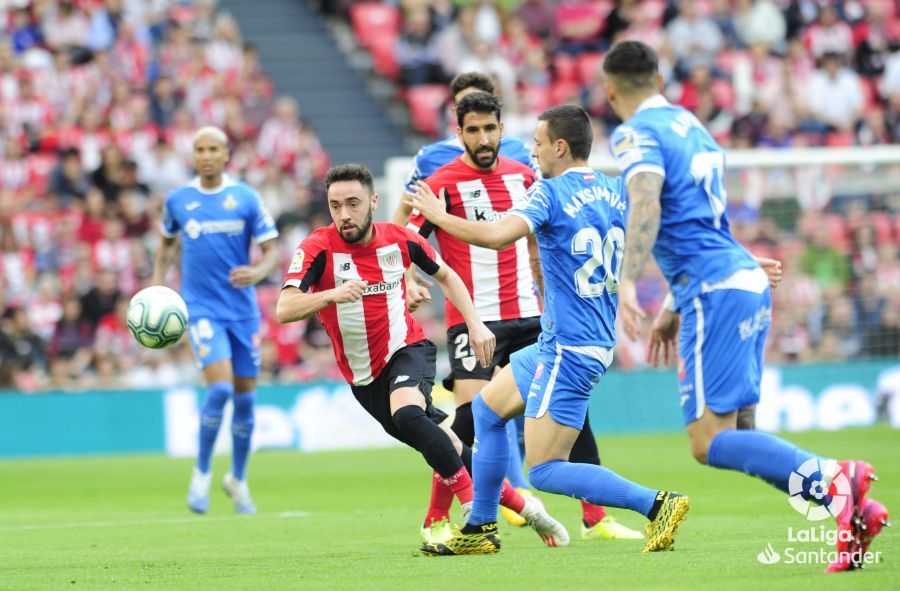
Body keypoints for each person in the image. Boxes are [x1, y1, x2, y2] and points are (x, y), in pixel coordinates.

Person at [602, 40, 885, 573]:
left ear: (610, 90)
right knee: (741, 433)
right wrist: (672, 301)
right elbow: (702, 224)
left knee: (709, 441)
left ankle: (838, 476)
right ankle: (857, 511)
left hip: (715, 290)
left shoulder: (636, 132)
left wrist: (627, 281)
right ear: (660, 82)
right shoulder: (692, 126)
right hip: (737, 281)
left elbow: (647, 201)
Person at [408, 105, 690, 556]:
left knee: (543, 470)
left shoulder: (549, 193)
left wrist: (436, 217)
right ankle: (480, 527)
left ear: (560, 146)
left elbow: (499, 235)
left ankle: (657, 504)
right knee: (486, 412)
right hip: (565, 341)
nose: (532, 151)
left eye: (538, 142)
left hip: (571, 350)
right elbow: (674, 238)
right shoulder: (618, 191)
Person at [275, 163, 569, 547]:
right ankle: (526, 508)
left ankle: (473, 515)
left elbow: (446, 274)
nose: (344, 215)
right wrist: (330, 294)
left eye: (353, 203)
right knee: (449, 444)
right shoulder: (317, 248)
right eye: (335, 206)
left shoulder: (400, 240)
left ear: (373, 201)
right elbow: (284, 308)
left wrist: (475, 323)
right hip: (364, 379)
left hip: (407, 349)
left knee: (409, 413)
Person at [152, 126, 281, 515]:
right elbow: (165, 247)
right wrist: (157, 290)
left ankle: (237, 480)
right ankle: (201, 474)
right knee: (221, 390)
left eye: (213, 149)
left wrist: (258, 273)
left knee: (245, 398)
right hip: (201, 309)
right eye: (199, 149)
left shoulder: (244, 198)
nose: (206, 155)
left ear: (226, 154)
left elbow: (272, 251)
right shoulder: (179, 200)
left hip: (242, 312)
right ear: (193, 156)